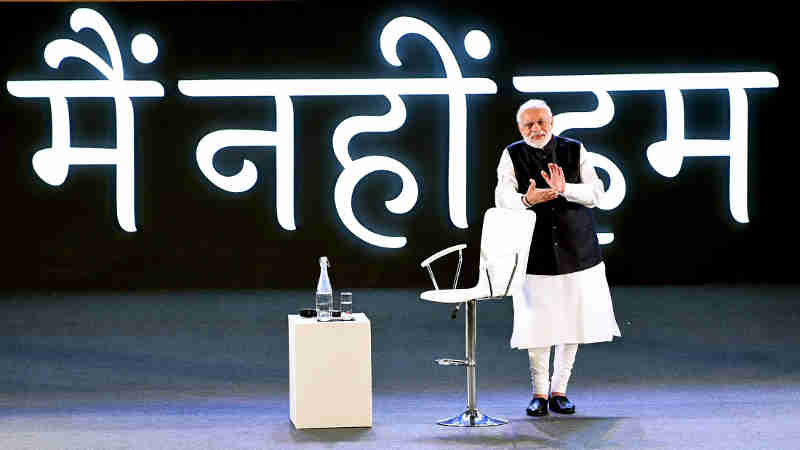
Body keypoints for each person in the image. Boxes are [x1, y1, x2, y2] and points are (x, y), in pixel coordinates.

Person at [495, 99, 621, 417]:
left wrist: (566, 189)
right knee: (537, 324)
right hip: (533, 252)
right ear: (519, 127)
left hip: (576, 249)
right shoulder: (512, 154)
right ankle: (538, 392)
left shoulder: (574, 149)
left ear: (551, 122)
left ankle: (559, 390)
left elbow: (596, 194)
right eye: (528, 125)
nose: (536, 129)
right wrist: (527, 198)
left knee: (571, 322)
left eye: (541, 122)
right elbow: (502, 196)